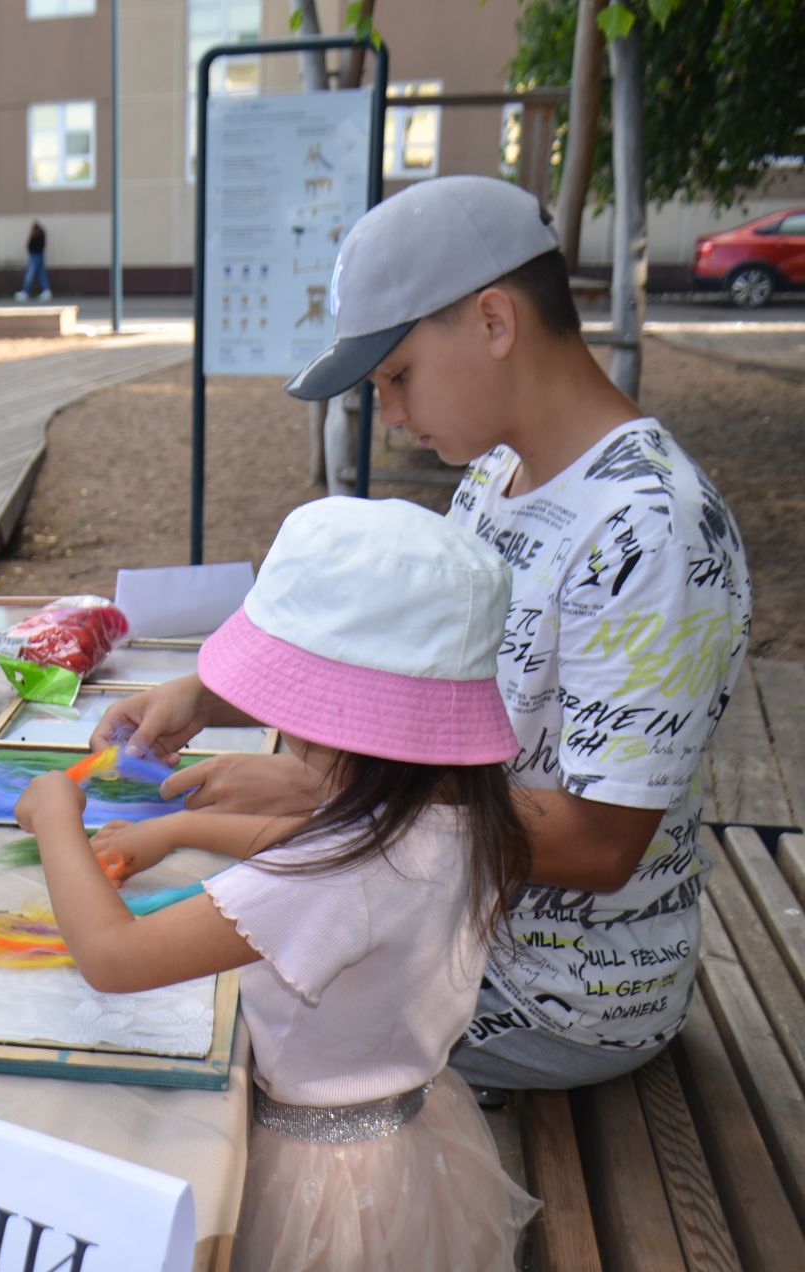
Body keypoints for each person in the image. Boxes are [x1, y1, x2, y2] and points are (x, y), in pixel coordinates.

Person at [100, 175, 752, 1092]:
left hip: (556, 992)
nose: (392, 412)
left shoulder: (653, 533)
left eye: (397, 377)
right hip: (442, 910)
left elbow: (600, 845)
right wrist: (215, 693)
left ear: (494, 321)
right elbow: (399, 649)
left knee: (179, 1022)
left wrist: (329, 792)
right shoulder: (495, 476)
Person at [18, 497, 538, 1270]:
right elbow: (326, 856)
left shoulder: (345, 874)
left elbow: (114, 956)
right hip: (409, 1142)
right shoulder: (459, 820)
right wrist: (180, 829)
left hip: (318, 1192)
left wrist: (57, 815)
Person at [15, 219, 51, 302]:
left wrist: (29, 247)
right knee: (41, 273)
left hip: (34, 255)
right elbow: (43, 244)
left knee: (30, 274)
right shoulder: (42, 233)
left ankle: (26, 292)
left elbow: (30, 244)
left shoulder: (35, 234)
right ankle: (46, 291)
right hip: (40, 254)